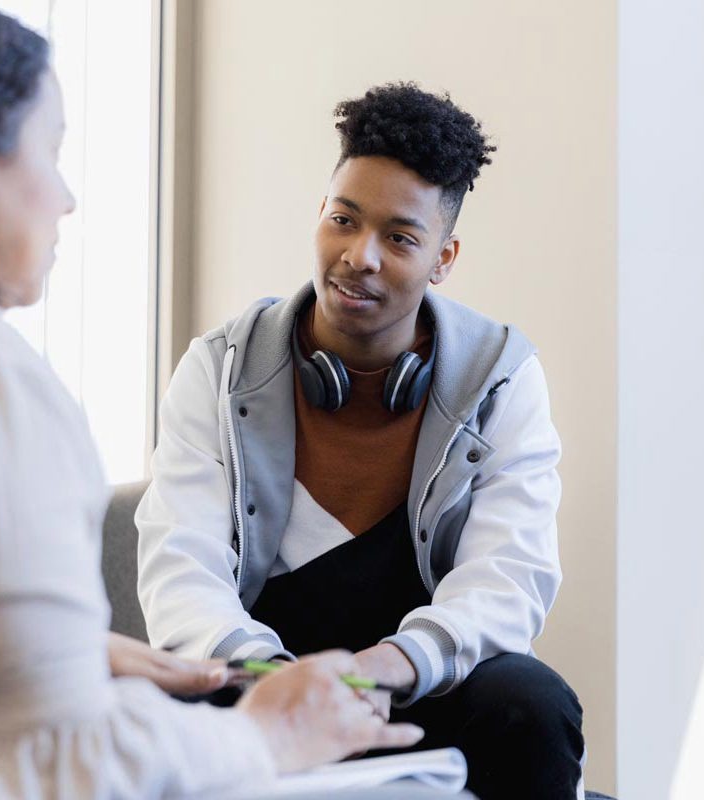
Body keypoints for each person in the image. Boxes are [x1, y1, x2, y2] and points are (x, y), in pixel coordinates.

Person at [0, 2, 424, 797]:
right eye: (53, 150)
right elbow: (57, 755)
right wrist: (266, 734)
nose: (67, 198)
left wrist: (65, 650)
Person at [136, 82, 586, 799]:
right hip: (260, 680)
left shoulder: (502, 378)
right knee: (156, 708)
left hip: (416, 683)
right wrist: (283, 688)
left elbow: (508, 578)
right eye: (343, 220)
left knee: (531, 704)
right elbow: (181, 569)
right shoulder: (218, 366)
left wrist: (382, 669)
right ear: (321, 213)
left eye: (400, 238)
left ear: (444, 256)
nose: (359, 256)